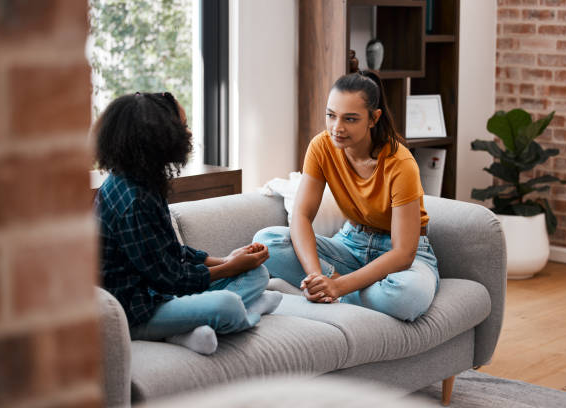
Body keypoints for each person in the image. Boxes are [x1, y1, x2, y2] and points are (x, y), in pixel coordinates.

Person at [94, 92, 281, 355]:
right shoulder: (132, 200)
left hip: (162, 295)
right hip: (136, 312)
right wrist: (229, 269)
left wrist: (228, 260)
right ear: (157, 138)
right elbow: (170, 278)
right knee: (226, 306)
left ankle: (188, 328)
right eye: (182, 127)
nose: (190, 133)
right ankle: (246, 313)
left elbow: (172, 253)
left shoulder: (145, 182)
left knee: (258, 273)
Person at [254, 72, 439, 322]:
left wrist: (340, 287)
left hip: (402, 254)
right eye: (331, 115)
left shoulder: (401, 163)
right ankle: (329, 289)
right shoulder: (321, 147)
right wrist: (317, 276)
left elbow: (403, 253)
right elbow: (301, 215)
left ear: (374, 118)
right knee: (268, 242)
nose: (336, 128)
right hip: (351, 244)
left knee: (406, 296)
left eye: (350, 119)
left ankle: (337, 293)